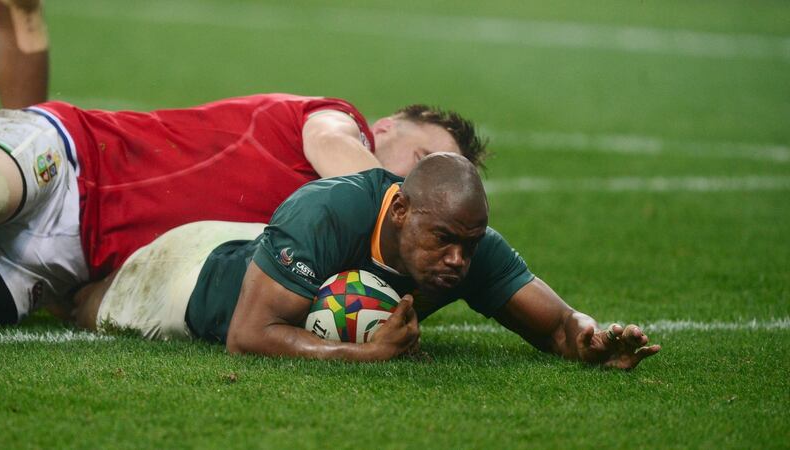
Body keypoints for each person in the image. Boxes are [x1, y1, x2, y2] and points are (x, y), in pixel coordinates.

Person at [0, 0, 487, 325]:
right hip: (73, 158)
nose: (418, 185)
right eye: (423, 161)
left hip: (53, 267)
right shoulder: (335, 120)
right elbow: (349, 164)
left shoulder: (315, 248)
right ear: (384, 127)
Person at [73, 153, 660, 369]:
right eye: (444, 241)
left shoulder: (466, 242)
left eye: (470, 244)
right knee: (82, 302)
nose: (458, 260)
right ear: (400, 209)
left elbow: (558, 324)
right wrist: (365, 354)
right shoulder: (328, 212)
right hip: (194, 281)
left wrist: (590, 338)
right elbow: (248, 336)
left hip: (271, 254)